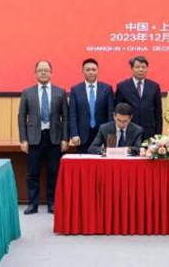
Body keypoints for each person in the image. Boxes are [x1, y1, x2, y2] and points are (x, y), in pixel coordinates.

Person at [18, 60, 68, 215]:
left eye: (46, 70)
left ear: (51, 72)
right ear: (35, 73)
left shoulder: (60, 92)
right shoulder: (27, 92)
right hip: (34, 139)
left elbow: (65, 117)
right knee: (32, 173)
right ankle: (32, 204)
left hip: (54, 138)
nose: (43, 72)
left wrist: (65, 138)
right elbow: (21, 117)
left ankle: (53, 203)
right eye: (40, 70)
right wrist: (23, 140)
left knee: (54, 173)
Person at [68, 58, 114, 154]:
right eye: (88, 70)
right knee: (83, 162)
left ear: (98, 71)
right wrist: (74, 134)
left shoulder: (107, 89)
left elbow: (110, 113)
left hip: (102, 134)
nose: (91, 72)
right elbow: (72, 114)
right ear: (82, 71)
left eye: (93, 69)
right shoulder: (75, 90)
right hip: (82, 136)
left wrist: (110, 134)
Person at [115, 56, 162, 140]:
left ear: (147, 68)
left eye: (143, 67)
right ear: (132, 68)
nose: (140, 70)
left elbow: (158, 113)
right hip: (129, 131)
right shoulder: (122, 87)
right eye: (137, 67)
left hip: (149, 132)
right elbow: (117, 111)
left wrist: (158, 134)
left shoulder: (154, 87)